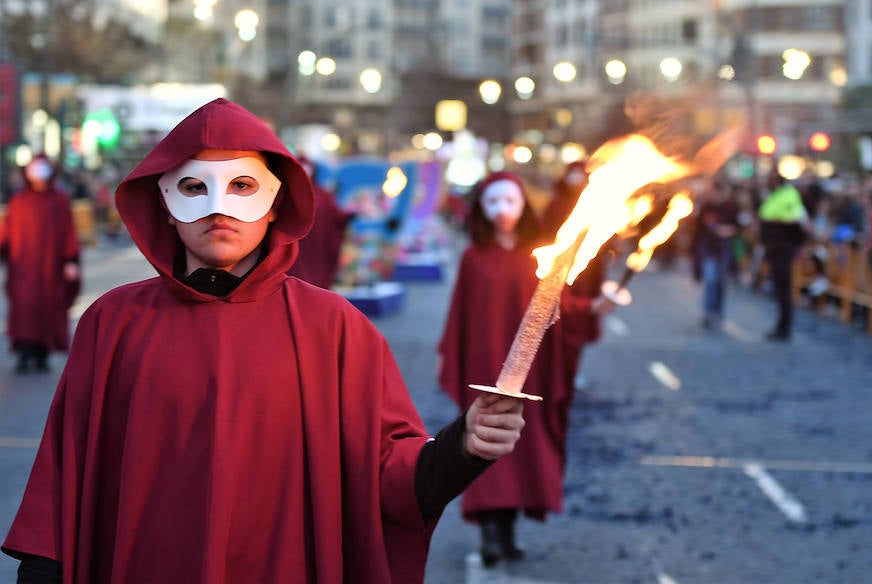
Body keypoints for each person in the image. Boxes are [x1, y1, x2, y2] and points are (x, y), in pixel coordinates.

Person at [2, 98, 526, 584]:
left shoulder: (336, 329)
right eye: (193, 187)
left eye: (243, 187)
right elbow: (63, 474)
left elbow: (386, 476)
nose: (217, 208)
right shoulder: (112, 322)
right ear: (163, 202)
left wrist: (462, 447)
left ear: (276, 203)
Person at [437, 171, 581, 567]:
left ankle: (508, 529)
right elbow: (460, 317)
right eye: (493, 203)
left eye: (510, 202)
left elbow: (558, 310)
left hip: (529, 372)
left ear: (523, 206)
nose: (502, 212)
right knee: (484, 443)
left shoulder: (537, 257)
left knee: (521, 451)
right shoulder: (473, 258)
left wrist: (592, 309)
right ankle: (488, 532)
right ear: (482, 209)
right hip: (483, 367)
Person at [0, 153, 81, 374]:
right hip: (23, 269)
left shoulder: (60, 201)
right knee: (24, 310)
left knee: (48, 308)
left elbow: (68, 233)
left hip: (50, 268)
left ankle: (42, 354)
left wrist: (71, 260)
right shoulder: (18, 202)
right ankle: (25, 354)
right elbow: (7, 233)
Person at [540, 161, 612, 387]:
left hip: (586, 274)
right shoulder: (557, 204)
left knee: (578, 324)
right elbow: (545, 236)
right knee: (555, 323)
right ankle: (553, 371)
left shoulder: (597, 207)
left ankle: (571, 371)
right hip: (557, 273)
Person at [286, 155, 353, 288]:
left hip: (317, 247)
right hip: (294, 248)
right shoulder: (286, 193)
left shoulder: (323, 195)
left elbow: (337, 217)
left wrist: (352, 213)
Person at [758, 171, 808, 341]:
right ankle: (781, 326)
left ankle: (784, 327)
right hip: (775, 248)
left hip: (782, 249)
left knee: (783, 289)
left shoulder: (788, 195)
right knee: (779, 290)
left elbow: (795, 218)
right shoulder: (778, 195)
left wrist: (778, 220)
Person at [692, 178, 739, 330]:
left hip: (723, 249)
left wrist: (725, 231)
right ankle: (708, 312)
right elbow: (698, 228)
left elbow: (736, 228)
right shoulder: (706, 207)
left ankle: (718, 311)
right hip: (707, 249)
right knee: (711, 280)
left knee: (720, 282)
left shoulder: (730, 207)